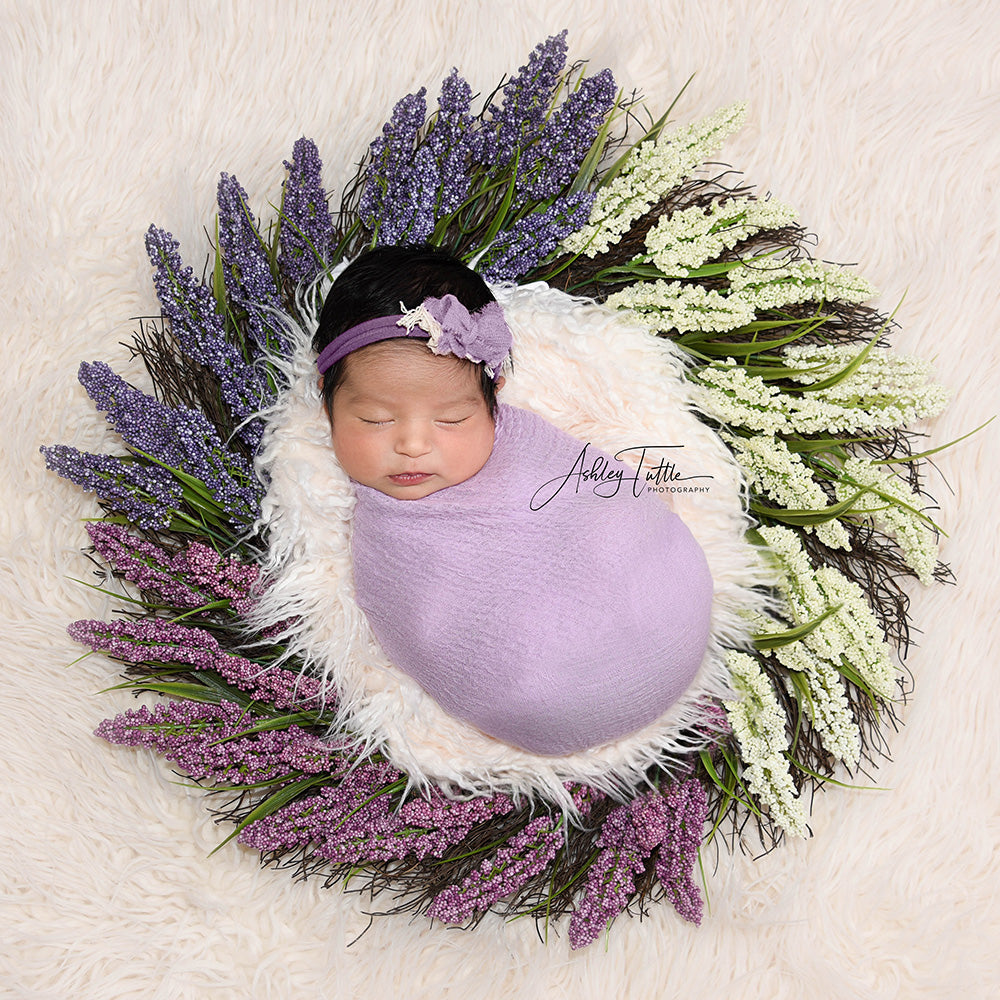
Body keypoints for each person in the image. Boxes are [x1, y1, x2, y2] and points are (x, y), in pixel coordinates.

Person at [314, 245, 714, 756]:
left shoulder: (529, 444)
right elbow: (426, 618)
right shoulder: (386, 539)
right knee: (526, 660)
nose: (413, 444)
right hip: (544, 699)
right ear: (326, 397)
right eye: (376, 419)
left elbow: (603, 497)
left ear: (493, 395)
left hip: (672, 610)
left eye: (452, 419)